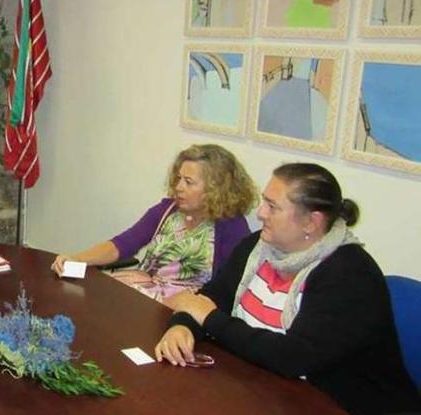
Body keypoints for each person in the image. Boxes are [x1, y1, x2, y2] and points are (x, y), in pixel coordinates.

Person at [156, 163, 421, 415]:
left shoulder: (349, 274)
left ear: (311, 223)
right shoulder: (256, 248)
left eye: (273, 207)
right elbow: (211, 297)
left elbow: (291, 358)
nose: (260, 213)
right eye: (264, 202)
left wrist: (211, 318)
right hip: (260, 387)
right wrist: (182, 326)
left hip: (343, 404)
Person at [51, 144, 256, 303]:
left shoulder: (231, 227)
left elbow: (225, 291)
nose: (178, 187)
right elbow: (122, 244)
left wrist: (169, 296)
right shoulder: (168, 210)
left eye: (189, 182)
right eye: (178, 179)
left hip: (181, 311)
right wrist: (77, 259)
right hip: (140, 294)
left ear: (215, 188)